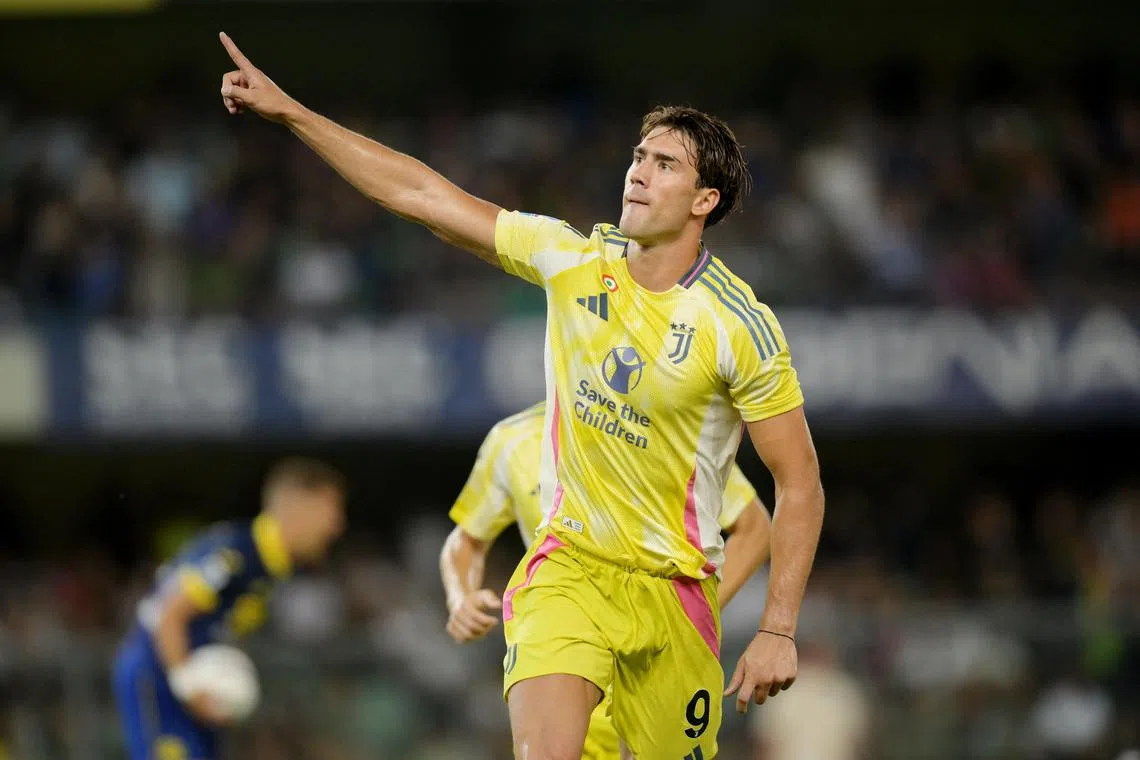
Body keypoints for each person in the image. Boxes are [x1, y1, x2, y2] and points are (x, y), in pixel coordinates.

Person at [217, 33, 825, 759]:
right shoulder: (571, 259)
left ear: (705, 199)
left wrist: (778, 628)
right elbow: (422, 194)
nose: (638, 172)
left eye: (665, 164)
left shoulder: (738, 325)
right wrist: (292, 113)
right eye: (638, 156)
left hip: (675, 594)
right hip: (568, 571)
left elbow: (799, 482)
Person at [440, 401, 774, 758]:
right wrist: (460, 597)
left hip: (652, 658)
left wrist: (686, 617)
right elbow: (467, 540)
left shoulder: (664, 420)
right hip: (565, 648)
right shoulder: (511, 440)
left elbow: (754, 528)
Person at [112, 458, 346, 760]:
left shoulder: (274, 564)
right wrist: (189, 687)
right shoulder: (236, 553)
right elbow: (169, 616)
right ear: (298, 506)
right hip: (158, 676)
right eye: (331, 509)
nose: (337, 525)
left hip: (193, 685)